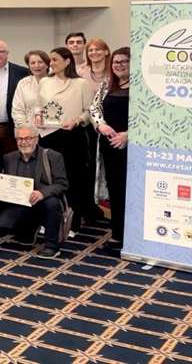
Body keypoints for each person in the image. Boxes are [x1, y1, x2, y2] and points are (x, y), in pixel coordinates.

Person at [36, 46, 96, 227]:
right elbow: (39, 105)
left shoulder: (81, 84)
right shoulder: (44, 81)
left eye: (55, 60)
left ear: (67, 61)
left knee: (72, 178)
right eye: (51, 60)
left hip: (71, 136)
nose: (51, 63)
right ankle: (48, 220)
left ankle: (72, 221)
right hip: (47, 135)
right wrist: (37, 115)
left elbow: (90, 111)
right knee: (47, 177)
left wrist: (77, 121)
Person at [0, 125, 68, 258]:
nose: (24, 142)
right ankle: (28, 231)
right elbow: (6, 182)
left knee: (52, 203)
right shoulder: (9, 158)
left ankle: (52, 246)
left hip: (43, 203)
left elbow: (62, 184)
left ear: (36, 139)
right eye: (20, 139)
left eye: (28, 138)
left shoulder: (52, 156)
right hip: (21, 203)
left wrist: (42, 193)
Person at [91, 47, 130, 252]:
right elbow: (94, 108)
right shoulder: (107, 84)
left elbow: (149, 118)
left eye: (124, 61)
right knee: (115, 191)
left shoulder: (141, 87)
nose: (119, 65)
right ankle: (117, 234)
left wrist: (128, 135)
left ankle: (131, 236)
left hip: (131, 148)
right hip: (109, 145)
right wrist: (101, 125)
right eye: (116, 62)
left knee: (130, 191)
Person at [11, 50, 50, 127]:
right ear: (28, 66)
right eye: (33, 63)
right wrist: (24, 128)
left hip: (52, 128)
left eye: (40, 62)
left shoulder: (56, 82)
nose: (37, 66)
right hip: (29, 130)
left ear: (47, 64)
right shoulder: (23, 83)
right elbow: (17, 110)